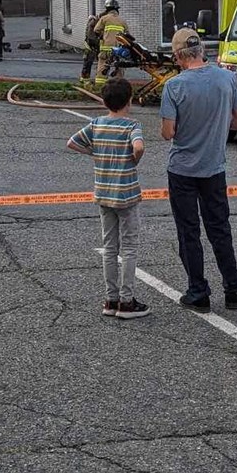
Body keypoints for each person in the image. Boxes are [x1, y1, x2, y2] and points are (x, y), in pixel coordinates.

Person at [161, 27, 237, 312]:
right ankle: (234, 287)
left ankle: (198, 290)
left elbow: (168, 132)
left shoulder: (174, 86)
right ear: (201, 50)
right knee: (219, 227)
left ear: (178, 56)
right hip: (214, 168)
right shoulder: (226, 79)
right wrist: (215, 125)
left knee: (188, 230)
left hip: (182, 170)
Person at [67, 77, 150, 319]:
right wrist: (135, 158)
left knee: (109, 247)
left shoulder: (96, 124)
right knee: (130, 247)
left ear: (105, 102)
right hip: (126, 194)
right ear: (129, 101)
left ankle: (110, 299)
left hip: (103, 193)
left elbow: (71, 142)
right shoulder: (131, 126)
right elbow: (139, 147)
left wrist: (93, 152)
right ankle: (127, 301)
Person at [93, 0, 128, 77]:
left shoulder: (104, 18)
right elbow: (128, 35)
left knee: (103, 65)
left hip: (106, 49)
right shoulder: (122, 21)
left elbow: (96, 30)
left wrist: (104, 35)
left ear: (107, 9)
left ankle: (100, 84)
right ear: (117, 10)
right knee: (119, 66)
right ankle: (118, 84)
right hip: (119, 49)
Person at [80, 9, 103, 81]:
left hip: (93, 45)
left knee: (96, 62)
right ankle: (85, 78)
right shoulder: (92, 24)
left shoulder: (92, 24)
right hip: (91, 46)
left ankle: (88, 77)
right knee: (88, 62)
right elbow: (92, 37)